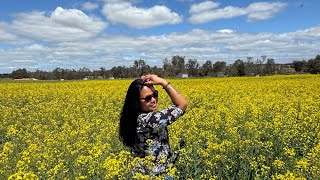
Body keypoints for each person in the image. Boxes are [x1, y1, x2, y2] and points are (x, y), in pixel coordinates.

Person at [119, 74, 188, 175]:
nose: (153, 100)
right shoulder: (150, 120)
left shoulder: (132, 116)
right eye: (147, 98)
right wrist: (163, 82)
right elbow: (182, 104)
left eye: (155, 94)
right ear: (136, 102)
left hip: (141, 173)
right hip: (157, 174)